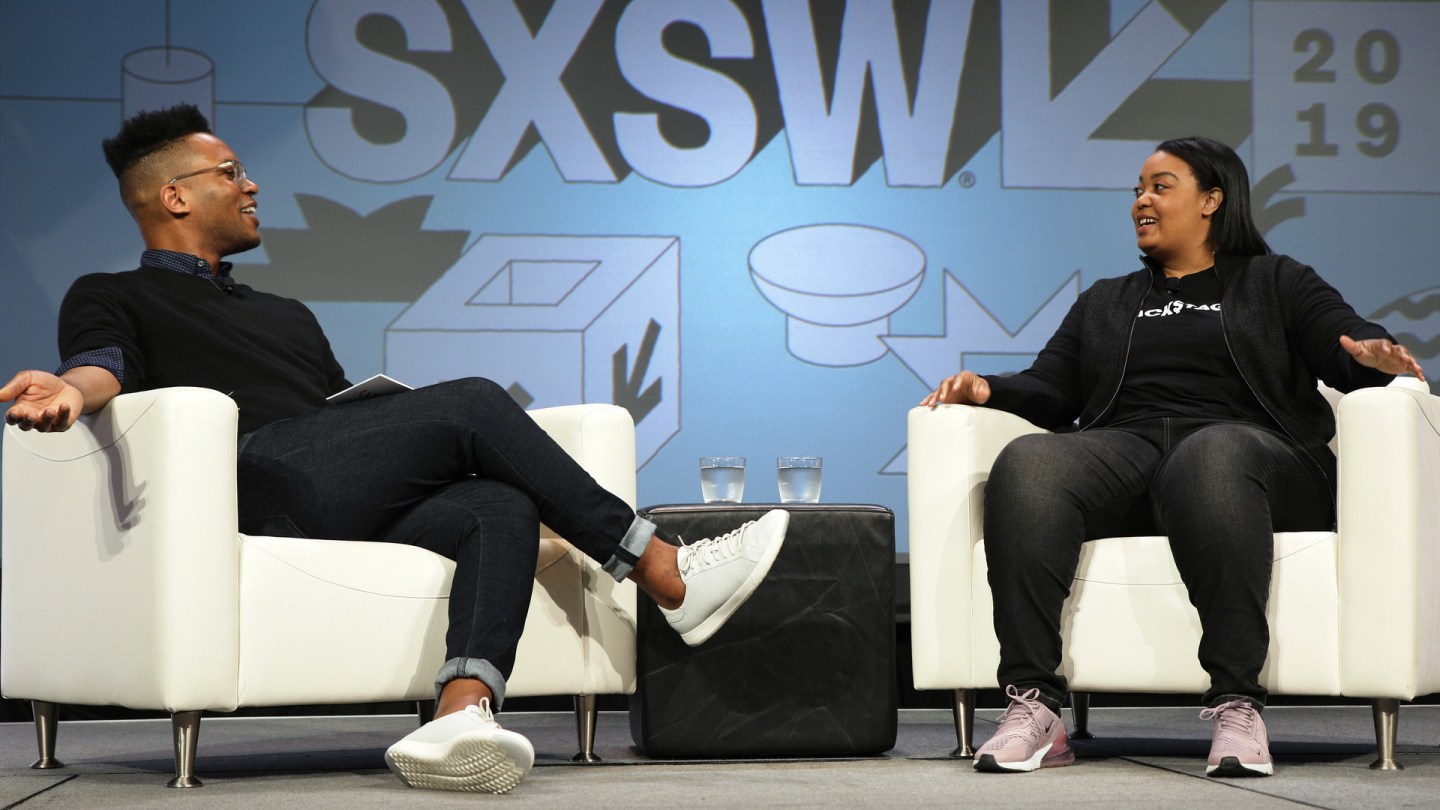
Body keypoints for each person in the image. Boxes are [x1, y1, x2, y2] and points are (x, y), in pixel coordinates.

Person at [0, 104, 789, 794]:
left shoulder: (287, 314)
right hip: (255, 483)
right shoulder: (113, 293)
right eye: (231, 172)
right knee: (472, 402)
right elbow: (102, 365)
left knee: (496, 504)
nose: (252, 184)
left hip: (331, 480)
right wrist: (69, 391)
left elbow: (342, 414)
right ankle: (664, 570)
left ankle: (459, 714)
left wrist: (403, 429)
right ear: (174, 195)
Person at [921, 136, 1426, 778]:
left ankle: (1237, 703)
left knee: (1210, 455)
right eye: (1138, 189)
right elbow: (1053, 388)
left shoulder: (1276, 280)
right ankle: (1035, 705)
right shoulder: (1108, 299)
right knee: (1029, 461)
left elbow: (1343, 341)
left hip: (1256, 452)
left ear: (1212, 200)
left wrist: (1375, 356)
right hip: (1130, 448)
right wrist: (989, 389)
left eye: (1160, 186)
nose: (1142, 200)